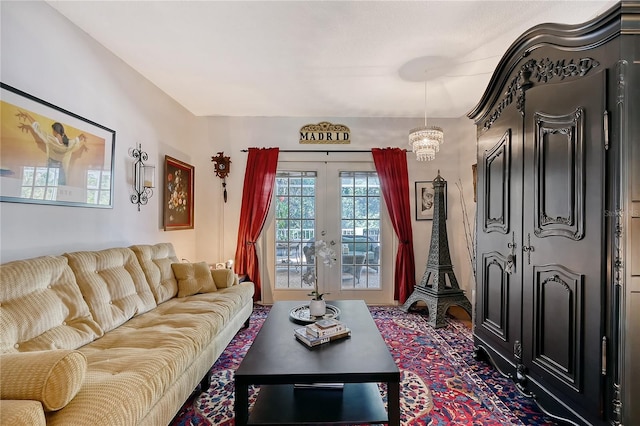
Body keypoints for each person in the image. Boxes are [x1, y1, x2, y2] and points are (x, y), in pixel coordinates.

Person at [17, 110, 86, 185]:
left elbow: (37, 128)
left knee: (48, 187)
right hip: (62, 170)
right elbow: (78, 139)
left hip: (51, 167)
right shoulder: (69, 143)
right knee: (60, 189)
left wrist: (27, 115)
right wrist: (82, 137)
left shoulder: (50, 139)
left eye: (52, 130)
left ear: (55, 131)